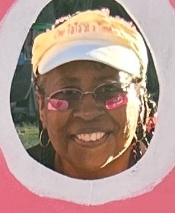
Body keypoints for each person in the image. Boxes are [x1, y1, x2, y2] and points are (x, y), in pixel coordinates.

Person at [27, 9, 156, 180]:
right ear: (41, 107)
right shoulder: (6, 185)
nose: (87, 113)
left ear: (140, 98)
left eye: (109, 90)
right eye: (67, 93)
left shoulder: (174, 181)